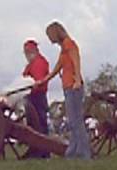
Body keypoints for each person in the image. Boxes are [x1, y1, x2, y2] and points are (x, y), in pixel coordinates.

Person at [36, 21, 91, 159]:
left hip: (74, 86)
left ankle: (84, 153)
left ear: (56, 33)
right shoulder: (63, 50)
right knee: (72, 122)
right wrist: (43, 81)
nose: (49, 38)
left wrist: (77, 80)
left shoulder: (69, 44)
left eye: (50, 35)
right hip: (67, 87)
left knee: (76, 121)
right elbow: (56, 69)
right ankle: (73, 152)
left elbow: (76, 61)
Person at [22, 39, 50, 159]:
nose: (26, 55)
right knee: (33, 126)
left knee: (40, 125)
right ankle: (35, 150)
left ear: (33, 51)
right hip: (32, 96)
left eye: (27, 52)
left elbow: (37, 81)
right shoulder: (32, 64)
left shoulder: (39, 63)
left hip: (37, 97)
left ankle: (43, 152)